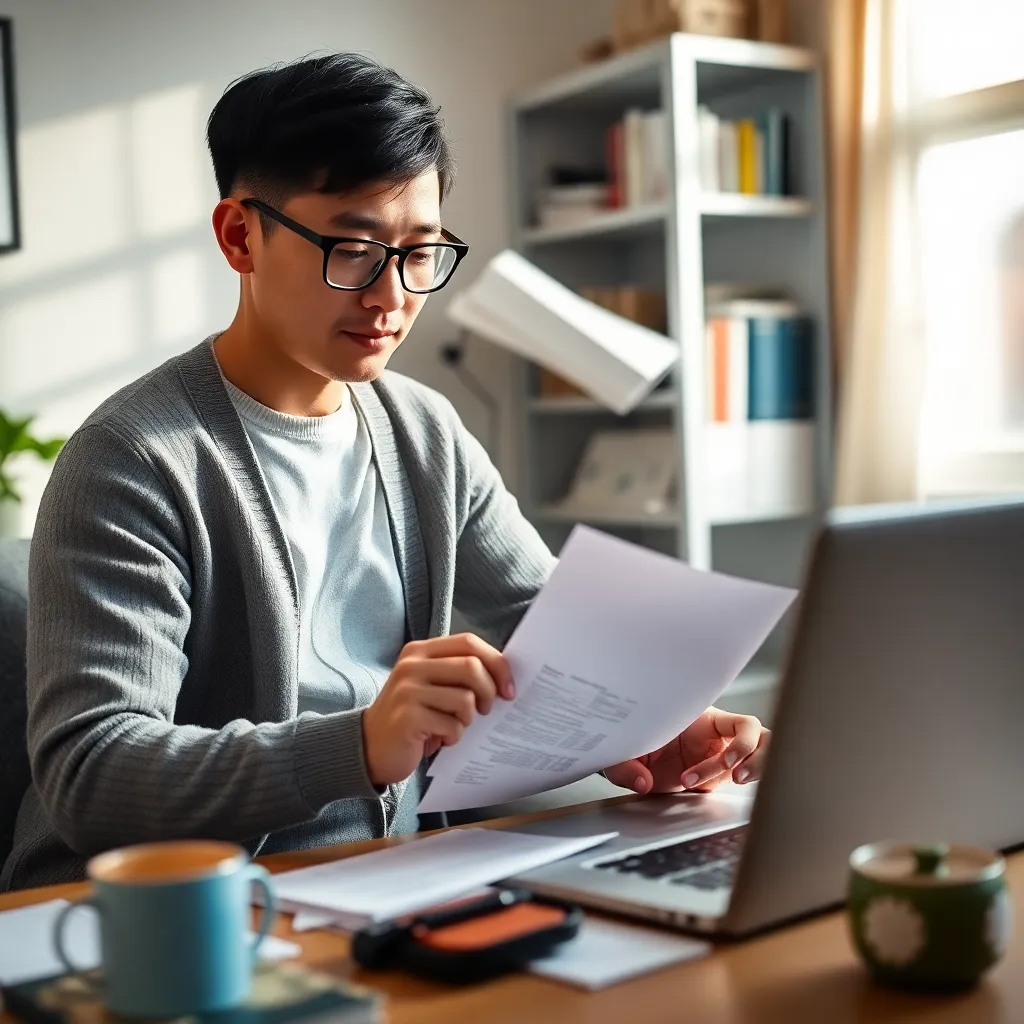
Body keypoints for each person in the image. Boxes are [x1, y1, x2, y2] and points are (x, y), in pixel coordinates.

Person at [1, 53, 769, 891]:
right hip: (156, 915)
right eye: (355, 249)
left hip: (382, 881)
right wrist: (361, 742)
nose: (391, 295)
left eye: (419, 252)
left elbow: (551, 629)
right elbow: (92, 774)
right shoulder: (136, 458)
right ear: (238, 236)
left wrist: (652, 723)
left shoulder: (423, 430)